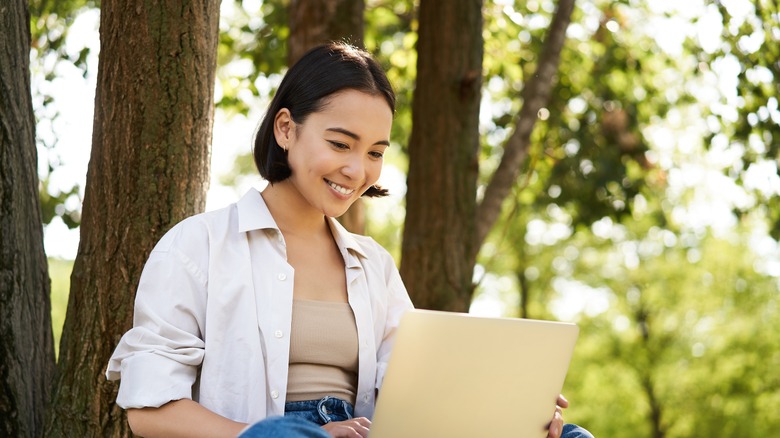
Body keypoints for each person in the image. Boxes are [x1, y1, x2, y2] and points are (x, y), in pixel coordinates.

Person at [106, 42, 592, 438]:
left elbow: (418, 396)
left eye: (375, 152)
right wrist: (274, 436)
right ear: (286, 128)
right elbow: (149, 411)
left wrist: (510, 410)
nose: (357, 170)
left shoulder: (372, 265)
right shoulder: (197, 246)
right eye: (340, 144)